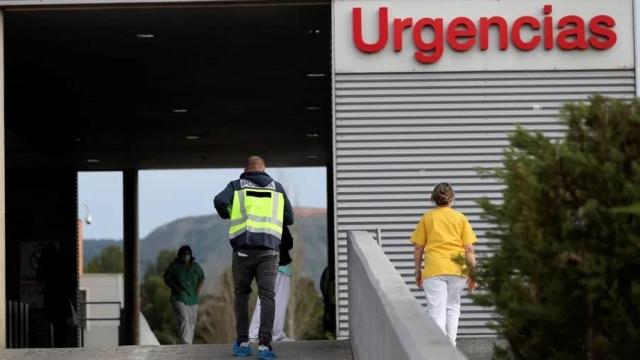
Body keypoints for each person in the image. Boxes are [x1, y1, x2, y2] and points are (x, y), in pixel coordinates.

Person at [214, 155, 294, 360]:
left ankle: (242, 343)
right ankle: (265, 346)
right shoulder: (276, 187)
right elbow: (289, 218)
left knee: (242, 295)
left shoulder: (236, 185)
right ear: (264, 168)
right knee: (267, 296)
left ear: (245, 168)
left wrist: (230, 213)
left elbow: (219, 201)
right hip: (269, 251)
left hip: (243, 251)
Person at [411, 183, 477, 347]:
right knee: (453, 307)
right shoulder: (460, 218)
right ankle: (450, 348)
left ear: (434, 199)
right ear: (452, 199)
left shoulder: (427, 218)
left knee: (436, 310)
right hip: (457, 269)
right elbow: (469, 248)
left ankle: (438, 352)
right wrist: (473, 273)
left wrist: (418, 271)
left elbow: (418, 247)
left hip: (434, 269)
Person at [249, 225, 294, 342]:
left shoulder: (260, 223)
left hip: (265, 264)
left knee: (266, 299)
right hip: (278, 265)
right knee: (277, 301)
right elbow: (288, 242)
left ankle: (263, 332)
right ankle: (271, 334)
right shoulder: (278, 220)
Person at [163, 245, 205, 344]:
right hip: (179, 297)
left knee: (192, 320)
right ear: (179, 255)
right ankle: (186, 343)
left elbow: (202, 277)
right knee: (184, 319)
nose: (186, 256)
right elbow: (166, 278)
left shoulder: (196, 266)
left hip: (193, 298)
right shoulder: (175, 266)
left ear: (190, 255)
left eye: (188, 254)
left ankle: (188, 342)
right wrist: (175, 287)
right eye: (184, 254)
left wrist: (198, 289)